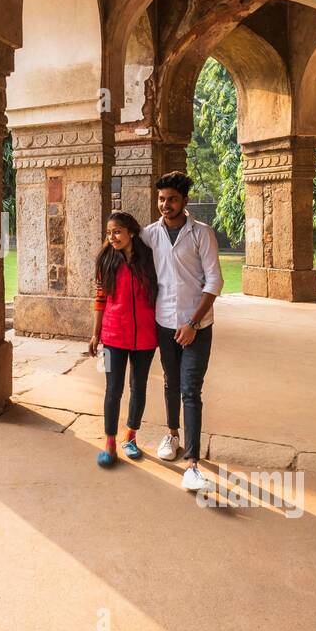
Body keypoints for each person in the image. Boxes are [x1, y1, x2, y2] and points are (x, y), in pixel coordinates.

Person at [142, 172, 223, 491]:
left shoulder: (201, 233)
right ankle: (172, 435)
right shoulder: (150, 234)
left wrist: (192, 323)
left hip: (197, 326)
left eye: (172, 199)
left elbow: (214, 281)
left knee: (191, 388)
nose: (165, 204)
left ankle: (191, 464)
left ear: (184, 200)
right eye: (161, 199)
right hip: (164, 322)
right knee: (170, 382)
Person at [88, 211, 159, 468]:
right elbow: (100, 299)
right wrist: (96, 334)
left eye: (117, 231)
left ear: (131, 232)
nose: (112, 237)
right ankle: (109, 443)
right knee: (112, 389)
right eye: (109, 233)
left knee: (138, 387)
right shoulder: (105, 260)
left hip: (146, 338)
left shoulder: (149, 260)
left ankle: (130, 437)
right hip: (112, 336)